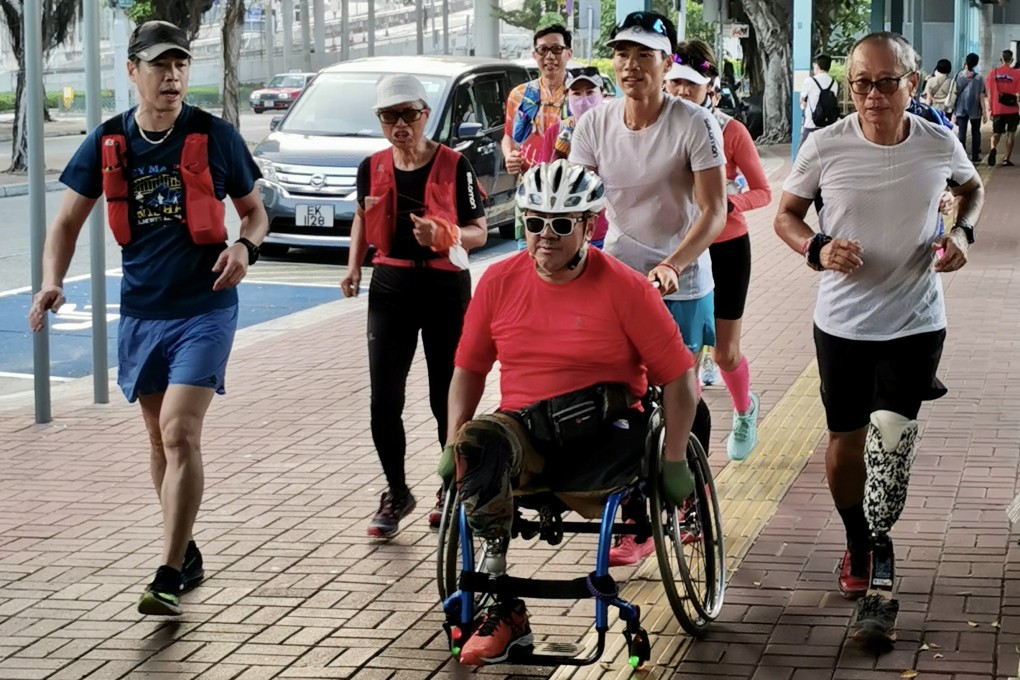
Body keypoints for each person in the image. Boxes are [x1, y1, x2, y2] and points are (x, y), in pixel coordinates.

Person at [27, 21, 268, 616]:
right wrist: (52, 279)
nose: (173, 75)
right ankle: (184, 550)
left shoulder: (216, 136)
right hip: (141, 312)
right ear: (132, 71)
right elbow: (64, 224)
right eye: (160, 65)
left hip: (205, 309)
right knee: (159, 440)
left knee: (181, 431)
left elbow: (255, 213)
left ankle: (164, 573)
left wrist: (245, 247)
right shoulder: (108, 140)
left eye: (181, 63)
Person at [439, 160, 700, 666]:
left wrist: (672, 461)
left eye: (561, 224)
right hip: (528, 433)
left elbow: (679, 378)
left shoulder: (627, 288)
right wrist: (453, 443)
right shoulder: (496, 282)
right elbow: (468, 370)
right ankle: (503, 604)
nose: (545, 236)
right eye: (534, 222)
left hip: (608, 429)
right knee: (478, 443)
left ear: (589, 225)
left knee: (620, 436)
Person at [774, 32, 983, 645]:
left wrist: (961, 235)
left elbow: (970, 190)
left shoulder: (937, 142)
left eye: (886, 82)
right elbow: (785, 215)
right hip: (842, 322)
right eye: (861, 83)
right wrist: (816, 247)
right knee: (846, 443)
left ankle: (881, 567)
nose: (872, 95)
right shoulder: (824, 146)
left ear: (911, 85)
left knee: (890, 439)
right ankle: (857, 542)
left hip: (916, 319)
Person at [570, 11, 726, 567]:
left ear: (666, 62)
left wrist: (672, 265)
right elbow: (579, 204)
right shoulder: (594, 124)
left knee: (680, 388)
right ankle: (635, 515)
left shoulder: (694, 124)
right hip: (619, 275)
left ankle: (690, 487)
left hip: (681, 280)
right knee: (623, 396)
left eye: (644, 54)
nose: (631, 65)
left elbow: (713, 211)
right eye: (622, 53)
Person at [340, 74, 488, 540]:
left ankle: (452, 485)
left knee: (445, 393)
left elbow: (480, 231)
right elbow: (364, 219)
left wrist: (446, 235)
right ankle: (397, 491)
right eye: (390, 116)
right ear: (380, 121)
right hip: (391, 284)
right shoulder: (371, 165)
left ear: (426, 115)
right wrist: (354, 267)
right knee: (384, 399)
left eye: (409, 114)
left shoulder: (455, 164)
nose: (400, 124)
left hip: (445, 285)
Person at [669, 39, 771, 462]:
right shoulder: (655, 129)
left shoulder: (731, 131)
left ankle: (745, 410)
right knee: (681, 361)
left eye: (690, 86)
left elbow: (764, 191)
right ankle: (683, 457)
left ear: (708, 86)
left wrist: (731, 203)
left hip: (727, 248)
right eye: (674, 83)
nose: (679, 93)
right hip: (679, 252)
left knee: (726, 353)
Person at [502, 23, 572, 250]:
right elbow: (508, 136)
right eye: (543, 50)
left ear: (568, 53)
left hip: (570, 192)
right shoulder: (520, 95)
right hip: (530, 189)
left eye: (557, 49)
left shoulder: (580, 93)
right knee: (527, 251)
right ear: (534, 55)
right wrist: (510, 155)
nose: (550, 56)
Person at [539, 66, 608, 248]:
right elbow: (545, 182)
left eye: (590, 92)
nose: (584, 100)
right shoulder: (557, 133)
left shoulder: (614, 130)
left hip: (606, 231)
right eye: (576, 93)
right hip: (566, 231)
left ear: (602, 94)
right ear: (567, 97)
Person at [949, 53, 988, 163]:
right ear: (976, 63)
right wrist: (985, 111)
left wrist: (954, 110)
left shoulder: (958, 75)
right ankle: (975, 156)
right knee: (976, 132)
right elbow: (981, 96)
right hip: (975, 108)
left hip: (961, 108)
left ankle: (962, 157)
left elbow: (955, 92)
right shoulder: (979, 78)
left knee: (962, 132)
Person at [986, 49, 1020, 167]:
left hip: (997, 108)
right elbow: (1019, 94)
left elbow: (989, 93)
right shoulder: (1017, 73)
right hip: (1012, 109)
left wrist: (990, 108)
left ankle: (993, 148)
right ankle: (1006, 158)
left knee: (996, 133)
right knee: (1011, 133)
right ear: (1012, 60)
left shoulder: (993, 73)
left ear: (1001, 60)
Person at [800, 53, 839, 143]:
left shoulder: (809, 81)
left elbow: (802, 99)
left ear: (817, 66)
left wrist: (803, 104)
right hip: (828, 126)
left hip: (811, 125)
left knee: (802, 154)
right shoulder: (834, 83)